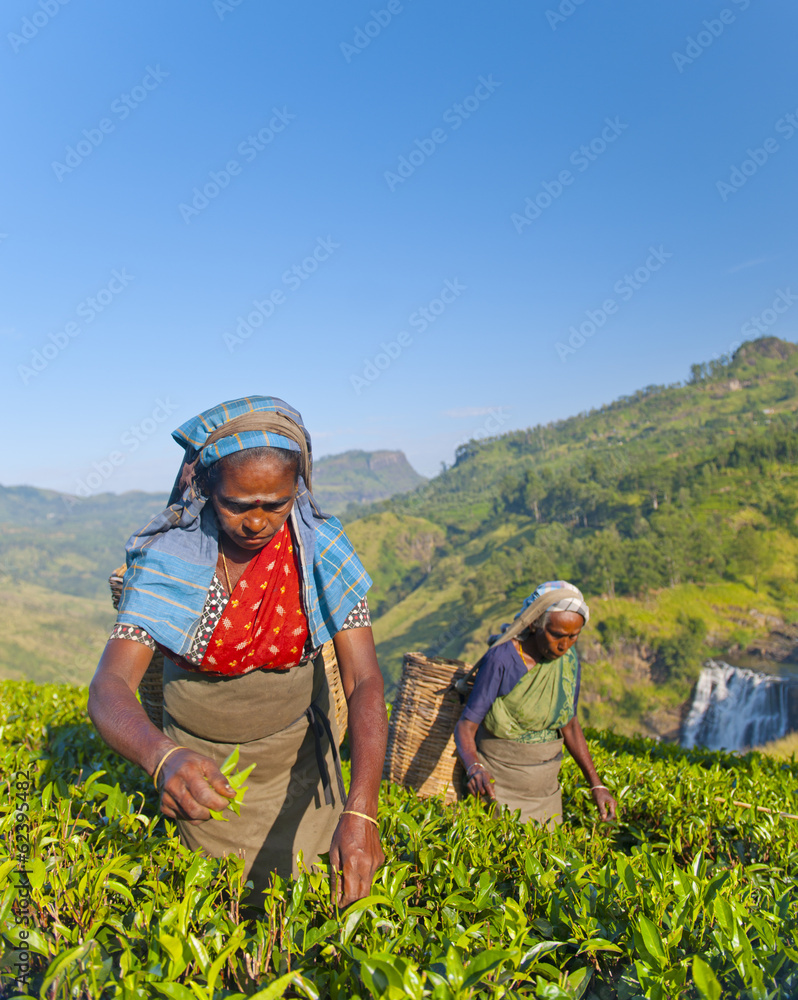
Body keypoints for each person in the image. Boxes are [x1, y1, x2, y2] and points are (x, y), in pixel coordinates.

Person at [88, 396, 387, 908]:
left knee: (311, 915)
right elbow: (109, 686)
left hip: (300, 768)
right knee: (218, 920)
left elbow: (364, 681)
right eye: (237, 504)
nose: (257, 522)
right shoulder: (172, 562)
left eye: (276, 503)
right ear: (205, 489)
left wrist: (361, 810)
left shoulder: (319, 550)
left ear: (298, 488)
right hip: (201, 772)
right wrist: (163, 757)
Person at [454, 581, 617, 825]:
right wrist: (474, 767)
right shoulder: (503, 659)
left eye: (574, 636)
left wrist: (597, 785)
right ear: (534, 623)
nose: (564, 645)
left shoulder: (569, 661)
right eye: (557, 635)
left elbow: (569, 724)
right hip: (498, 787)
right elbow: (466, 726)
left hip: (545, 794)